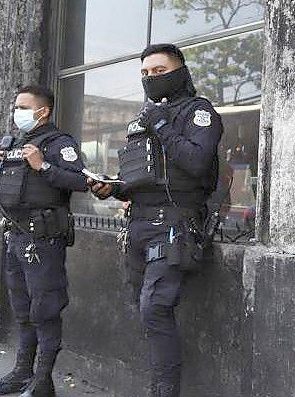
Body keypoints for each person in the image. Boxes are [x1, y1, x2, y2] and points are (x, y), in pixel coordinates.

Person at [89, 44, 222, 397]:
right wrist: (112, 189)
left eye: (159, 71)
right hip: (137, 225)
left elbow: (195, 163)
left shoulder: (198, 112)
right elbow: (139, 181)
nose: (151, 78)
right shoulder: (140, 122)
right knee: (146, 310)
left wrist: (160, 123)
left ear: (180, 71)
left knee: (155, 307)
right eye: (146, 73)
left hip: (174, 223)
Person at [0, 85, 88, 397]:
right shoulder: (16, 143)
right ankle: (21, 374)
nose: (17, 112)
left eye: (23, 107)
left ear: (43, 111)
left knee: (45, 309)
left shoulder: (60, 143)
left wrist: (42, 165)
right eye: (16, 106)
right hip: (15, 236)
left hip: (43, 239)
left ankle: (43, 382)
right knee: (23, 309)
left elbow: (82, 181)